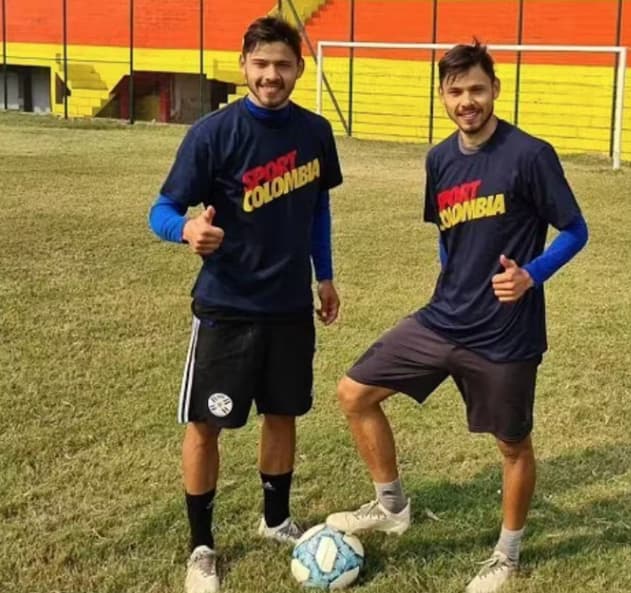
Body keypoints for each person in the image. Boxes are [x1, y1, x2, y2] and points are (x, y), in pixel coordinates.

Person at [325, 41, 588, 593]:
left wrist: (531, 275)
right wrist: (450, 280)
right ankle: (392, 507)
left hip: (505, 335)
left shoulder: (530, 154)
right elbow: (448, 235)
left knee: (512, 445)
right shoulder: (439, 159)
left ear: (495, 88)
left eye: (476, 89)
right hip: (441, 320)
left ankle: (506, 557)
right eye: (455, 91)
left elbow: (575, 230)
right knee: (354, 393)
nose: (466, 101)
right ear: (442, 96)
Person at [148, 16, 343, 593]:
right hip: (226, 307)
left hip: (287, 306)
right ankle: (201, 546)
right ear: (244, 66)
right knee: (206, 423)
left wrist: (324, 276)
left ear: (298, 69)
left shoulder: (314, 132)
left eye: (283, 65)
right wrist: (185, 231)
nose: (271, 76)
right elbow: (161, 209)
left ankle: (277, 520)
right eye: (261, 64)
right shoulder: (212, 134)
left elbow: (318, 211)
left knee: (282, 415)